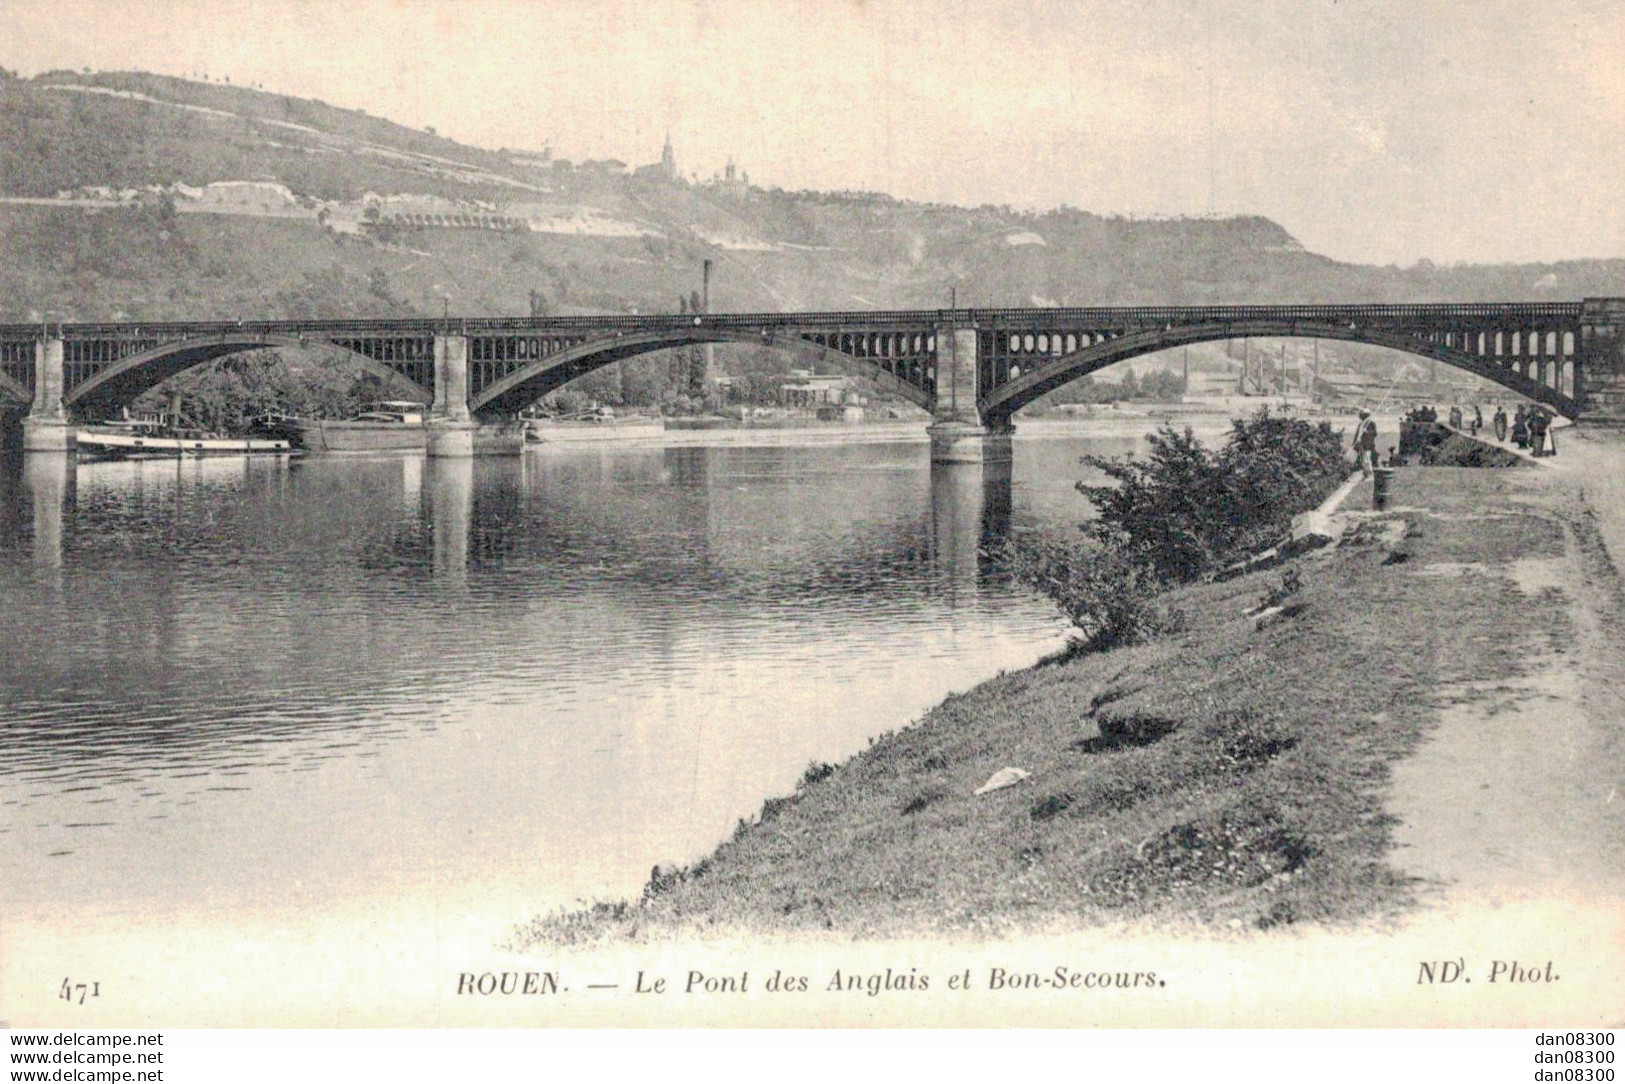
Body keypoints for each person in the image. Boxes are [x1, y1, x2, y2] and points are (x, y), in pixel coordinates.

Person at [1353, 408, 1378, 478]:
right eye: (1361, 415)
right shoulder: (1361, 424)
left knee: (1366, 458)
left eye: (1363, 415)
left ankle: (1370, 473)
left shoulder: (1371, 424)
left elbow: (1375, 434)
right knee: (1363, 459)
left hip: (1368, 445)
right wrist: (1355, 442)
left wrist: (1367, 432)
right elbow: (1357, 434)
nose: (1361, 417)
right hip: (1361, 445)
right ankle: (1366, 473)